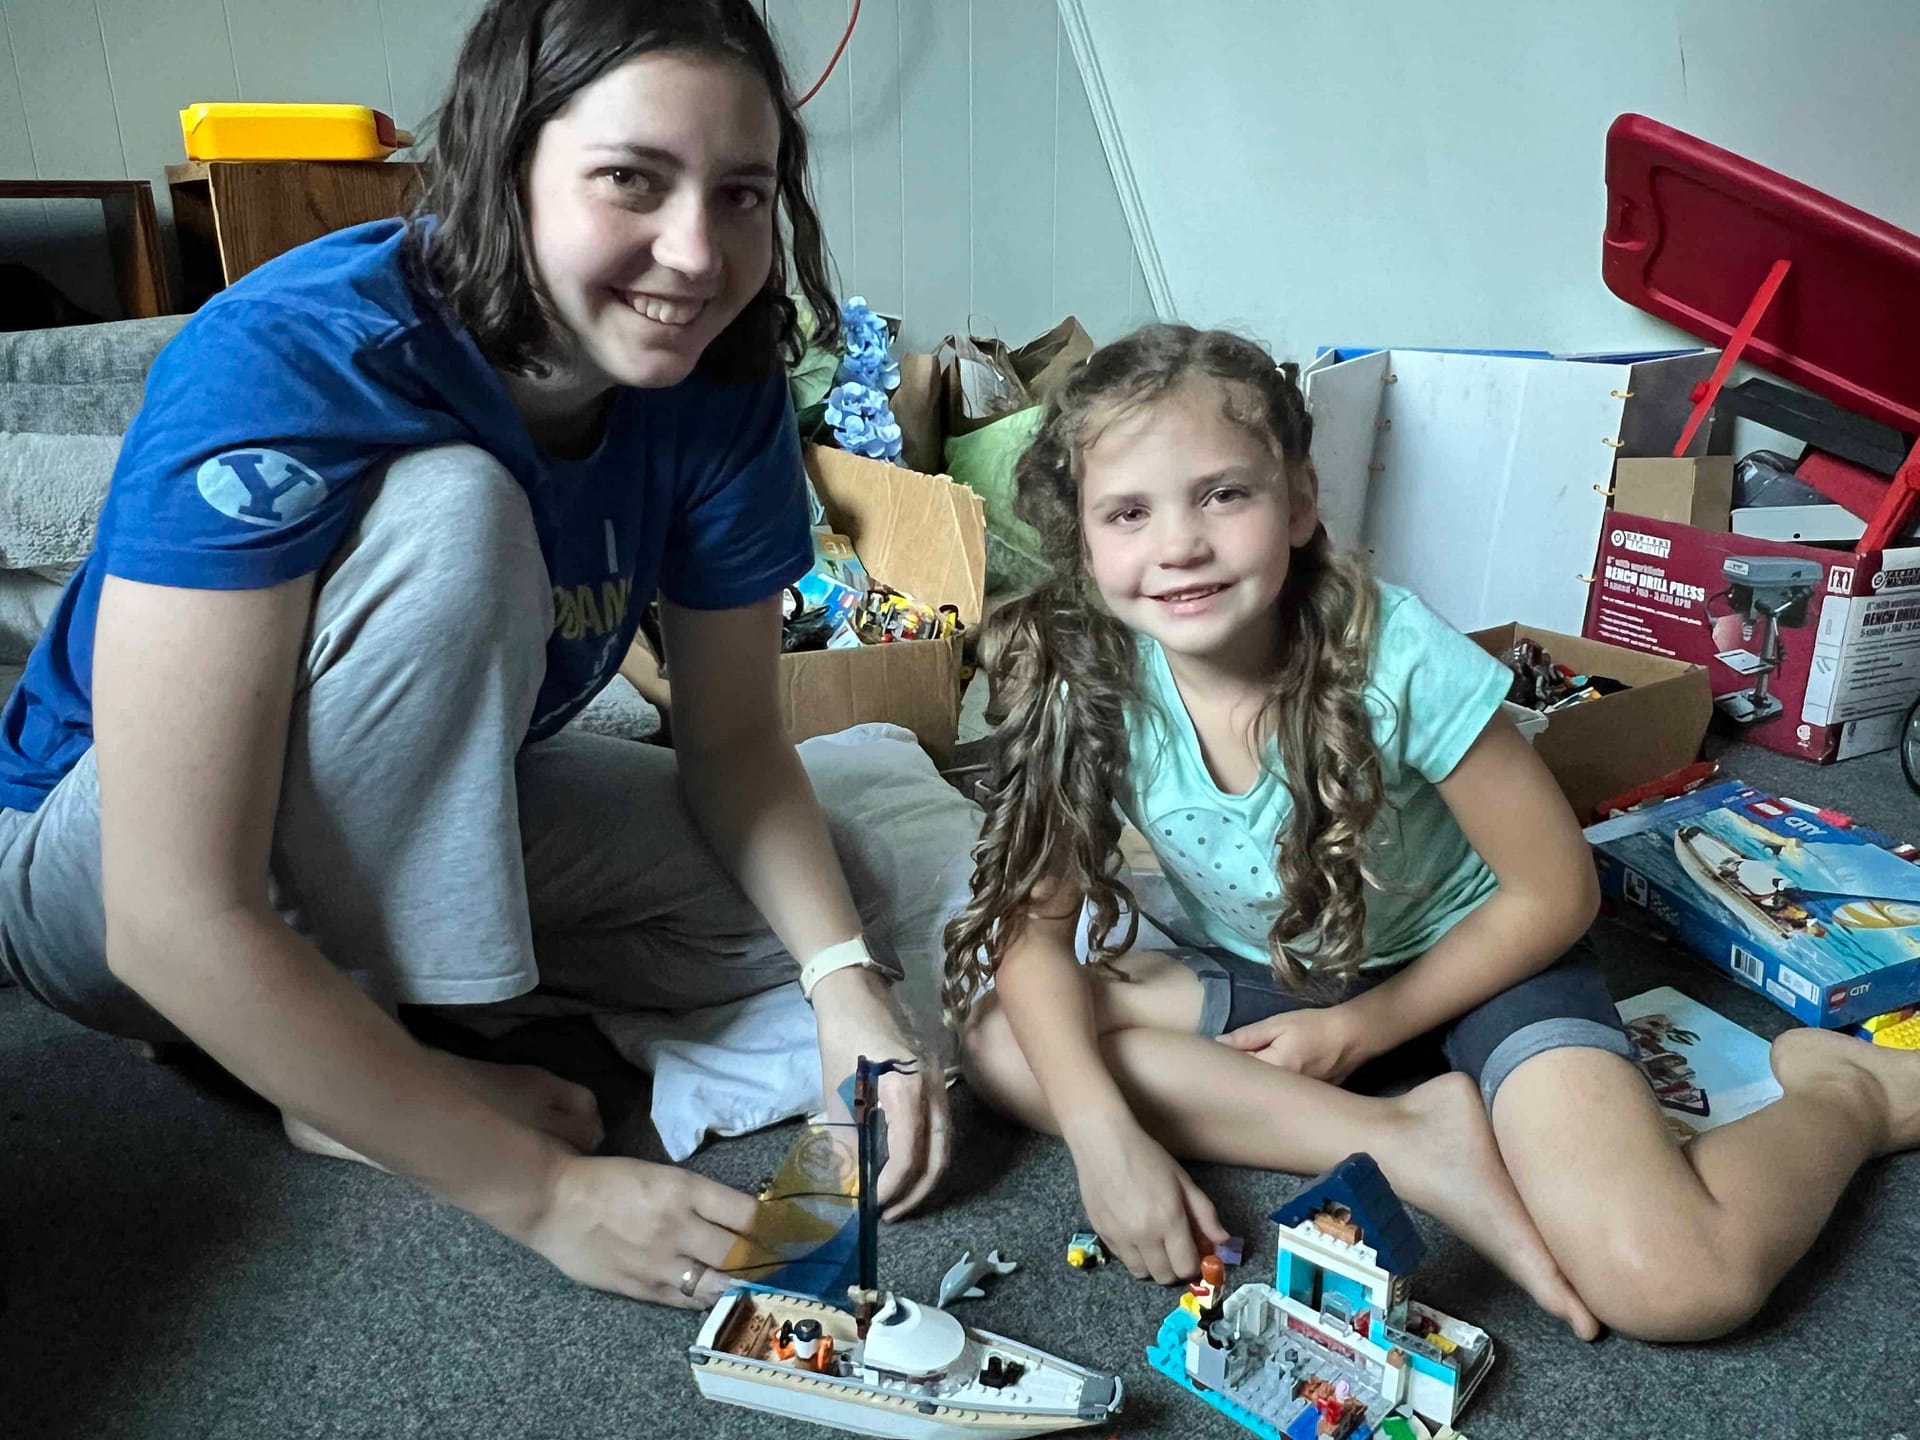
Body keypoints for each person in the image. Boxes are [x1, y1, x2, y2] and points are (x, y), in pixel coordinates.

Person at [0, 0, 946, 1309]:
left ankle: (345, 1025)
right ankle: (351, 1057)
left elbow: (730, 745)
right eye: (631, 179)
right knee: (457, 512)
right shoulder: (297, 350)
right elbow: (168, 914)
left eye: (743, 194)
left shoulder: (722, 383)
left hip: (392, 811)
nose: (694, 254)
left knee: (832, 892)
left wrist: (849, 996)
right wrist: (537, 1192)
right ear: (507, 167)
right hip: (93, 872)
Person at [942, 322, 1920, 1342]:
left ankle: (1849, 1091)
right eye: (1130, 512)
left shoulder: (1398, 655)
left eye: (1223, 494)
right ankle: (1406, 1140)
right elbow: (1032, 933)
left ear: (1301, 503)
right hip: (1281, 972)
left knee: (1677, 1285)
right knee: (1004, 1037)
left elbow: (1554, 893)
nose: (1179, 543)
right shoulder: (1086, 676)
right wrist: (1103, 1137)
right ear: (1085, 542)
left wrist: (1363, 1028)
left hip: (1482, 962)